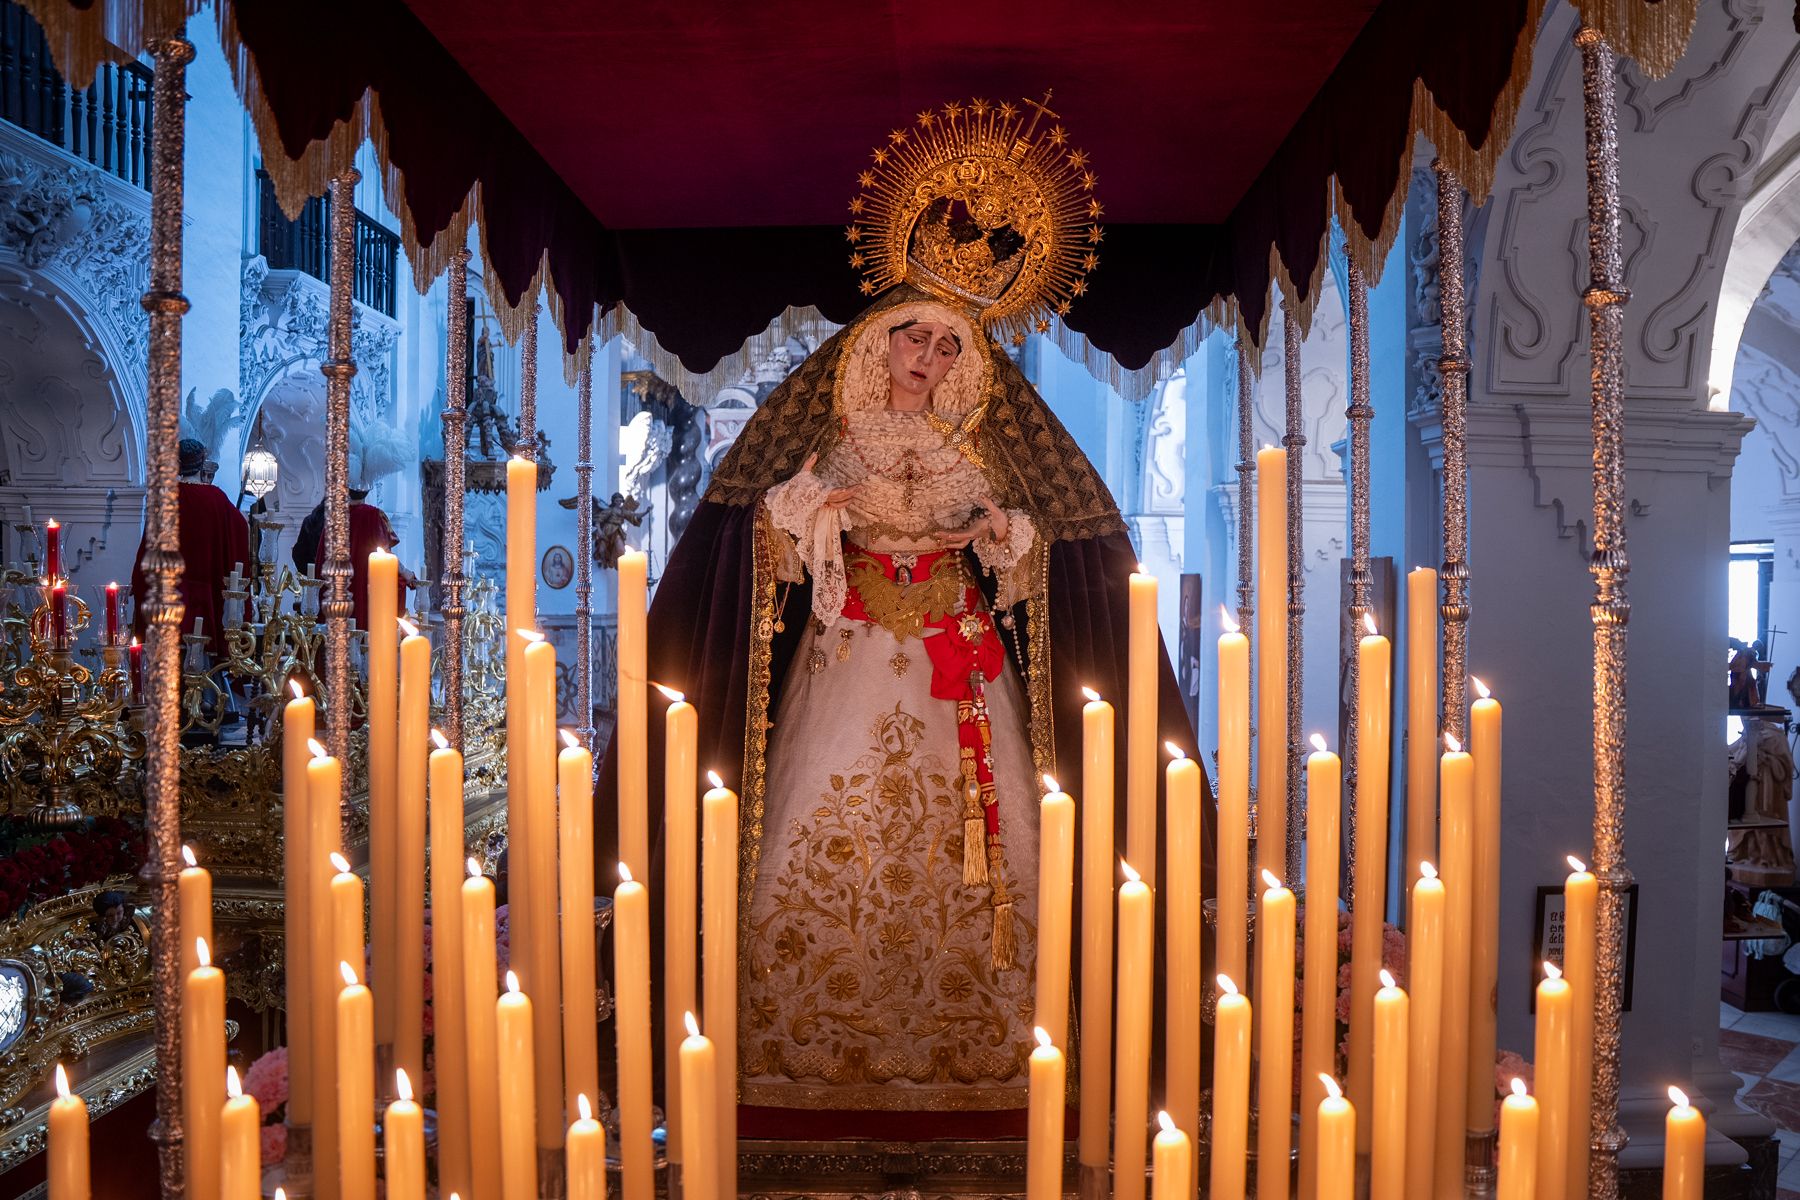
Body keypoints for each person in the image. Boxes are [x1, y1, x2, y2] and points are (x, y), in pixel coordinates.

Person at [600, 97, 1207, 1130]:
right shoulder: (833, 443)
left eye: (942, 349)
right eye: (909, 342)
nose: (922, 362)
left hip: (958, 664)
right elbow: (771, 540)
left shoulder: (978, 450)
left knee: (986, 844)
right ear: (874, 346)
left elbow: (1033, 547)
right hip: (848, 657)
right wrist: (813, 518)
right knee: (820, 831)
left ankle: (987, 1047)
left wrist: (997, 537)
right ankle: (804, 1044)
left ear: (965, 366)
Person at [290, 411, 412, 629]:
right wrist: (408, 575)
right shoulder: (374, 517)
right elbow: (386, 558)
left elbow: (309, 559)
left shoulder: (331, 517)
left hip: (333, 604)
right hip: (365, 605)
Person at [130, 438, 250, 657]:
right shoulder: (217, 498)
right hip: (206, 602)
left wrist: (139, 584)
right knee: (204, 672)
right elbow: (241, 529)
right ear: (202, 462)